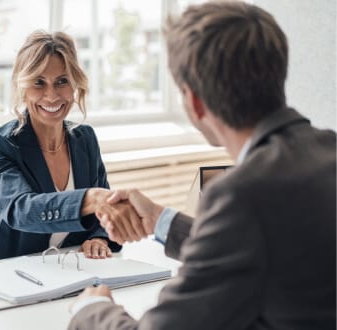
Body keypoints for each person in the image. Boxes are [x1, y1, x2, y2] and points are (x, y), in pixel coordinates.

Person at [69, 2, 336, 329]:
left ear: (194, 102)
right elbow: (264, 243)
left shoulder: (241, 195)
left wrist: (91, 310)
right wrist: (159, 220)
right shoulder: (327, 148)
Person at [0, 31, 127, 261]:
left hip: (75, 271)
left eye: (62, 81)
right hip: (15, 276)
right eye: (39, 83)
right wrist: (89, 199)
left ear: (75, 84)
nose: (51, 95)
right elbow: (22, 211)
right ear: (22, 86)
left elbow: (101, 216)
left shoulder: (85, 138)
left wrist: (98, 238)